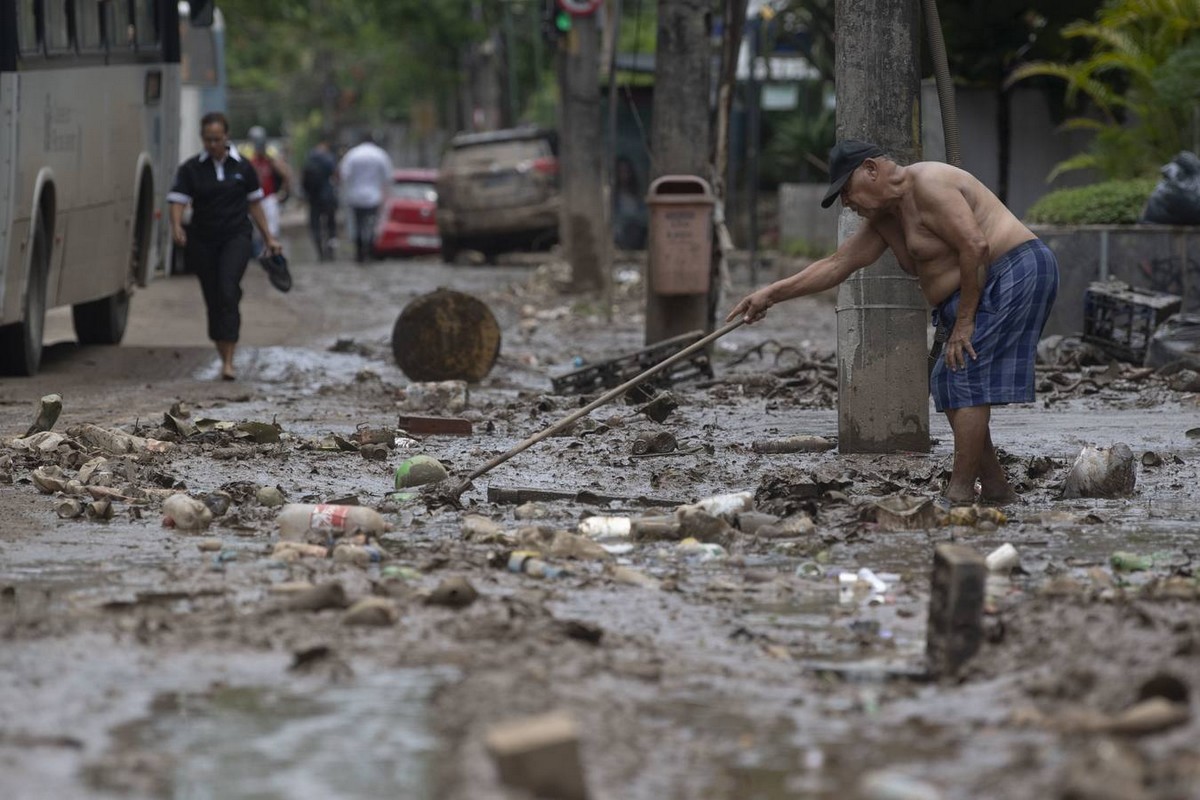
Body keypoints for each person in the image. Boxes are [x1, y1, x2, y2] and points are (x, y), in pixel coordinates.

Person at [726, 140, 1059, 505]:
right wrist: (770, 294)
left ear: (871, 170)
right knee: (947, 380)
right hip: (977, 287)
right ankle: (995, 487)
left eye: (846, 190)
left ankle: (960, 492)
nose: (846, 202)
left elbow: (975, 246)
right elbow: (837, 265)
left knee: (964, 375)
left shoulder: (929, 182)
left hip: (1011, 269)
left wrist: (964, 322)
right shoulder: (886, 219)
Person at [168, 112, 283, 381]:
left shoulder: (243, 167)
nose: (212, 144)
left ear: (226, 137)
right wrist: (175, 226)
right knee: (213, 297)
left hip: (236, 237)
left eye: (217, 139)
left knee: (227, 289)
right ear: (202, 139)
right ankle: (222, 350)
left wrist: (268, 237)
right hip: (203, 240)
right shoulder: (191, 169)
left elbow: (255, 204)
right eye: (208, 140)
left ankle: (228, 362)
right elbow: (178, 201)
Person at [338, 132, 394, 263]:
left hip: (355, 197)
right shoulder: (380, 154)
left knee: (357, 224)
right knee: (370, 224)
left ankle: (359, 252)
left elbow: (344, 175)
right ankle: (369, 250)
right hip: (373, 197)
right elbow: (388, 177)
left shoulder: (352, 154)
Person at [246, 125, 291, 254]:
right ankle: (257, 253)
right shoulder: (246, 153)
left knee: (272, 230)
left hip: (269, 197)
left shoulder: (271, 153)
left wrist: (284, 192)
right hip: (253, 199)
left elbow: (285, 173)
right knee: (254, 230)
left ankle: (270, 252)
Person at [301, 134, 339, 261]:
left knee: (315, 225)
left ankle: (319, 252)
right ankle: (330, 249)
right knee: (330, 224)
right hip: (327, 196)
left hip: (313, 197)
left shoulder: (309, 158)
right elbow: (336, 175)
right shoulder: (328, 158)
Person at [612, 156, 648, 250]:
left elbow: (644, 216)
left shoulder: (637, 195)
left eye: (626, 171)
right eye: (620, 172)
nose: (624, 175)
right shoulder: (612, 195)